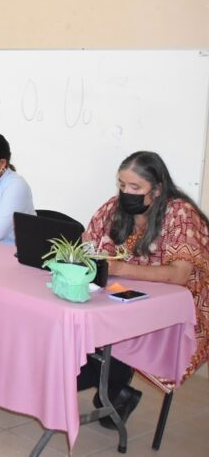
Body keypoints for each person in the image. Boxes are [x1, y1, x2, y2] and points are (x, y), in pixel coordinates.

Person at [80, 151, 209, 428]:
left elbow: (179, 275)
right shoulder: (115, 208)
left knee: (110, 331)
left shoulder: (181, 214)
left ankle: (108, 387)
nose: (126, 193)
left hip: (181, 309)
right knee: (84, 316)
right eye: (122, 185)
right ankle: (111, 389)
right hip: (125, 294)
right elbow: (88, 246)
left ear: (158, 189)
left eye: (135, 188)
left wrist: (121, 269)